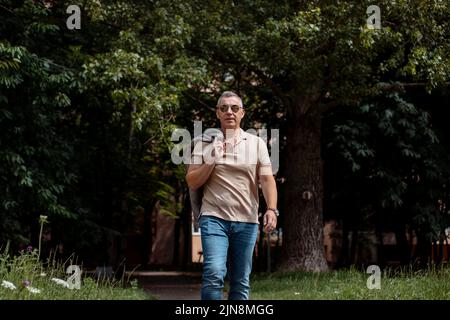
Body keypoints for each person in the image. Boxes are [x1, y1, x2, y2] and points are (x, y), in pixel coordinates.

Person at [186, 91, 278, 300]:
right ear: (217, 113)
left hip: (246, 220)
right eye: (224, 108)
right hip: (213, 217)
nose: (229, 112)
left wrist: (271, 209)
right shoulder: (204, 143)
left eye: (234, 108)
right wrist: (212, 159)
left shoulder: (256, 143)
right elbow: (192, 180)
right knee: (214, 273)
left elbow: (266, 179)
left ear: (242, 113)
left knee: (240, 281)